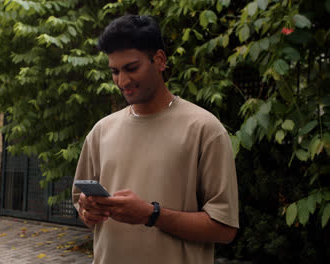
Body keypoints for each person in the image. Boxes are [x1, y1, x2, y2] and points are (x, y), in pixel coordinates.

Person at [72, 15, 239, 264]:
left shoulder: (205, 129)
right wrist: (89, 210)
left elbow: (224, 229)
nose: (122, 81)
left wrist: (152, 215)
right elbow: (81, 208)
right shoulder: (101, 131)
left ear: (159, 60)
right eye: (115, 72)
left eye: (131, 68)